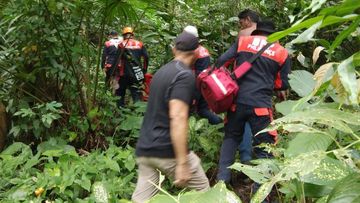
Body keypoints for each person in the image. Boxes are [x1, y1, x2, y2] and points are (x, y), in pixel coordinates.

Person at [132, 31, 210, 203]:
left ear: (174, 50)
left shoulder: (161, 72)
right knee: (207, 195)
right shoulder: (184, 76)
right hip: (167, 150)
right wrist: (182, 162)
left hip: (146, 149)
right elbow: (178, 117)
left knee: (141, 200)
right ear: (196, 52)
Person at [215, 19, 291, 188]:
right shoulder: (281, 52)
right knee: (265, 148)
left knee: (231, 138)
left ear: (257, 33)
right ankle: (259, 194)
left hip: (236, 104)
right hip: (260, 108)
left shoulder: (243, 42)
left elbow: (221, 61)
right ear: (275, 35)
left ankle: (221, 182)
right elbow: (282, 85)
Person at [183, 25, 222, 125]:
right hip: (204, 84)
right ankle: (221, 124)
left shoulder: (195, 52)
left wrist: (193, 94)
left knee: (188, 110)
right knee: (202, 110)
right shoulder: (201, 49)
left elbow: (198, 74)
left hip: (197, 85)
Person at [117, 27, 149, 107]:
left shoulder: (121, 45)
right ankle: (137, 113)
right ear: (132, 35)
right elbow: (146, 57)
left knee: (120, 93)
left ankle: (121, 113)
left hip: (124, 74)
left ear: (124, 35)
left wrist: (114, 73)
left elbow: (117, 60)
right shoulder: (140, 44)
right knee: (136, 93)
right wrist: (144, 70)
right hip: (136, 73)